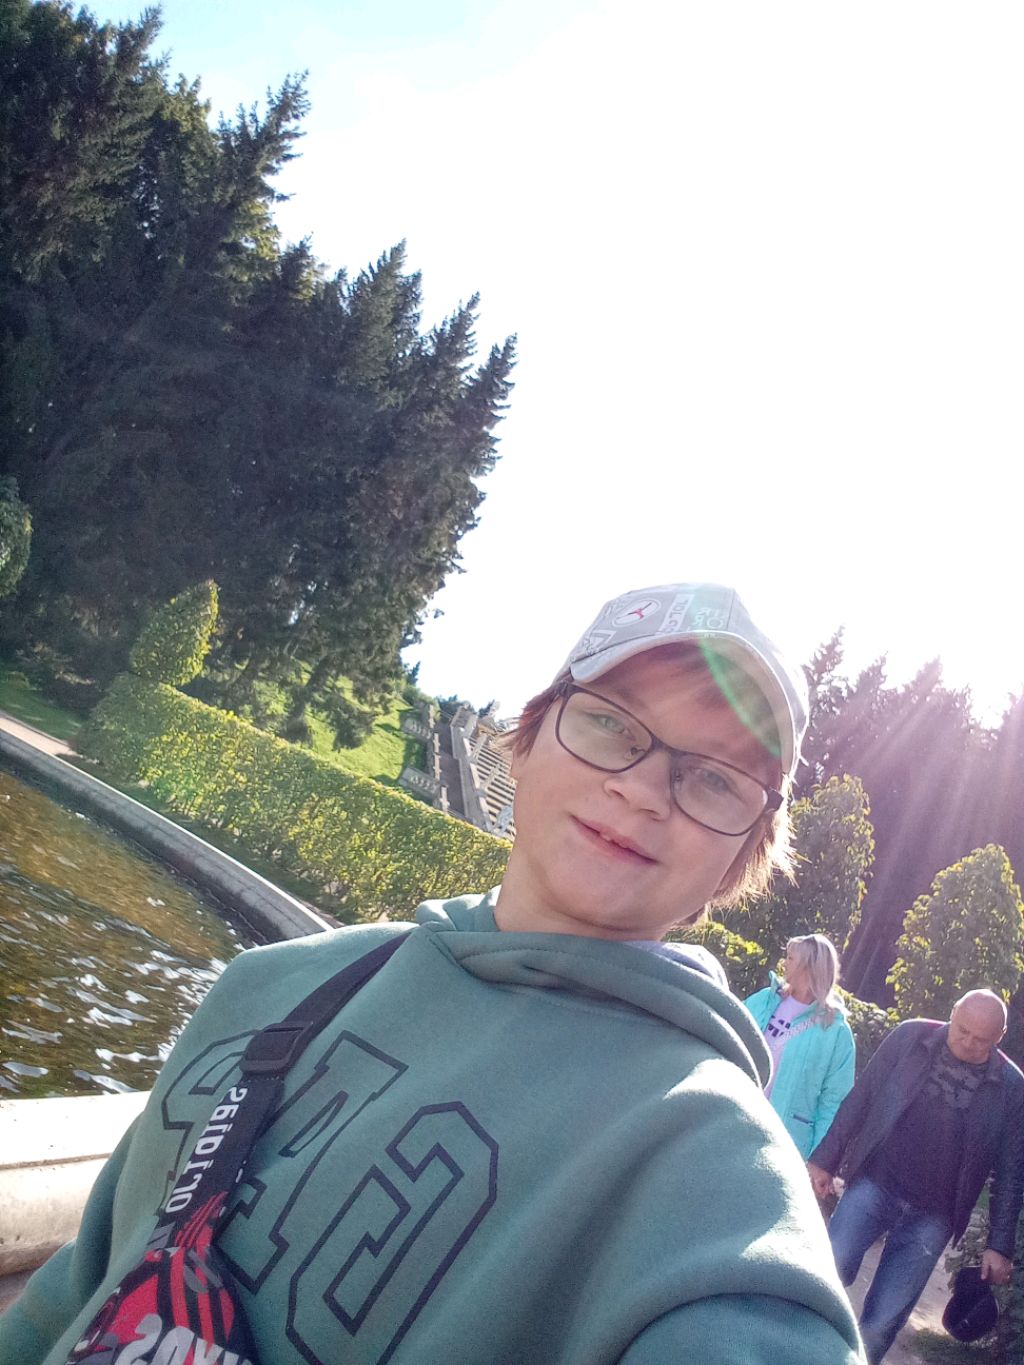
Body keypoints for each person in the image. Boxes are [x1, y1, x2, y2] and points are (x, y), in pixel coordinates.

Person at [0, 582, 864, 1364]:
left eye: (714, 780)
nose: (642, 790)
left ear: (740, 859)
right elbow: (75, 1288)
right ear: (529, 737)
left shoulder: (712, 1169)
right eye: (612, 722)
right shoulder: (269, 984)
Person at [808, 989, 1024, 1364]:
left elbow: (1010, 1172)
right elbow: (862, 1097)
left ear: (999, 1037)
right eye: (962, 1030)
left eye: (980, 1040)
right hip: (875, 1184)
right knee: (825, 1274)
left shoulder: (1011, 1087)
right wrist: (825, 1160)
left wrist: (999, 1245)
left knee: (882, 1322)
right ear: (953, 1012)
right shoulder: (910, 1037)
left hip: (934, 1216)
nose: (968, 1042)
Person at [744, 933, 856, 1157]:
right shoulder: (764, 1000)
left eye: (791, 958)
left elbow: (833, 1102)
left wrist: (817, 1158)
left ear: (808, 966)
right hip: (735, 1117)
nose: (784, 963)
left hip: (782, 1144)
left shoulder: (836, 1032)